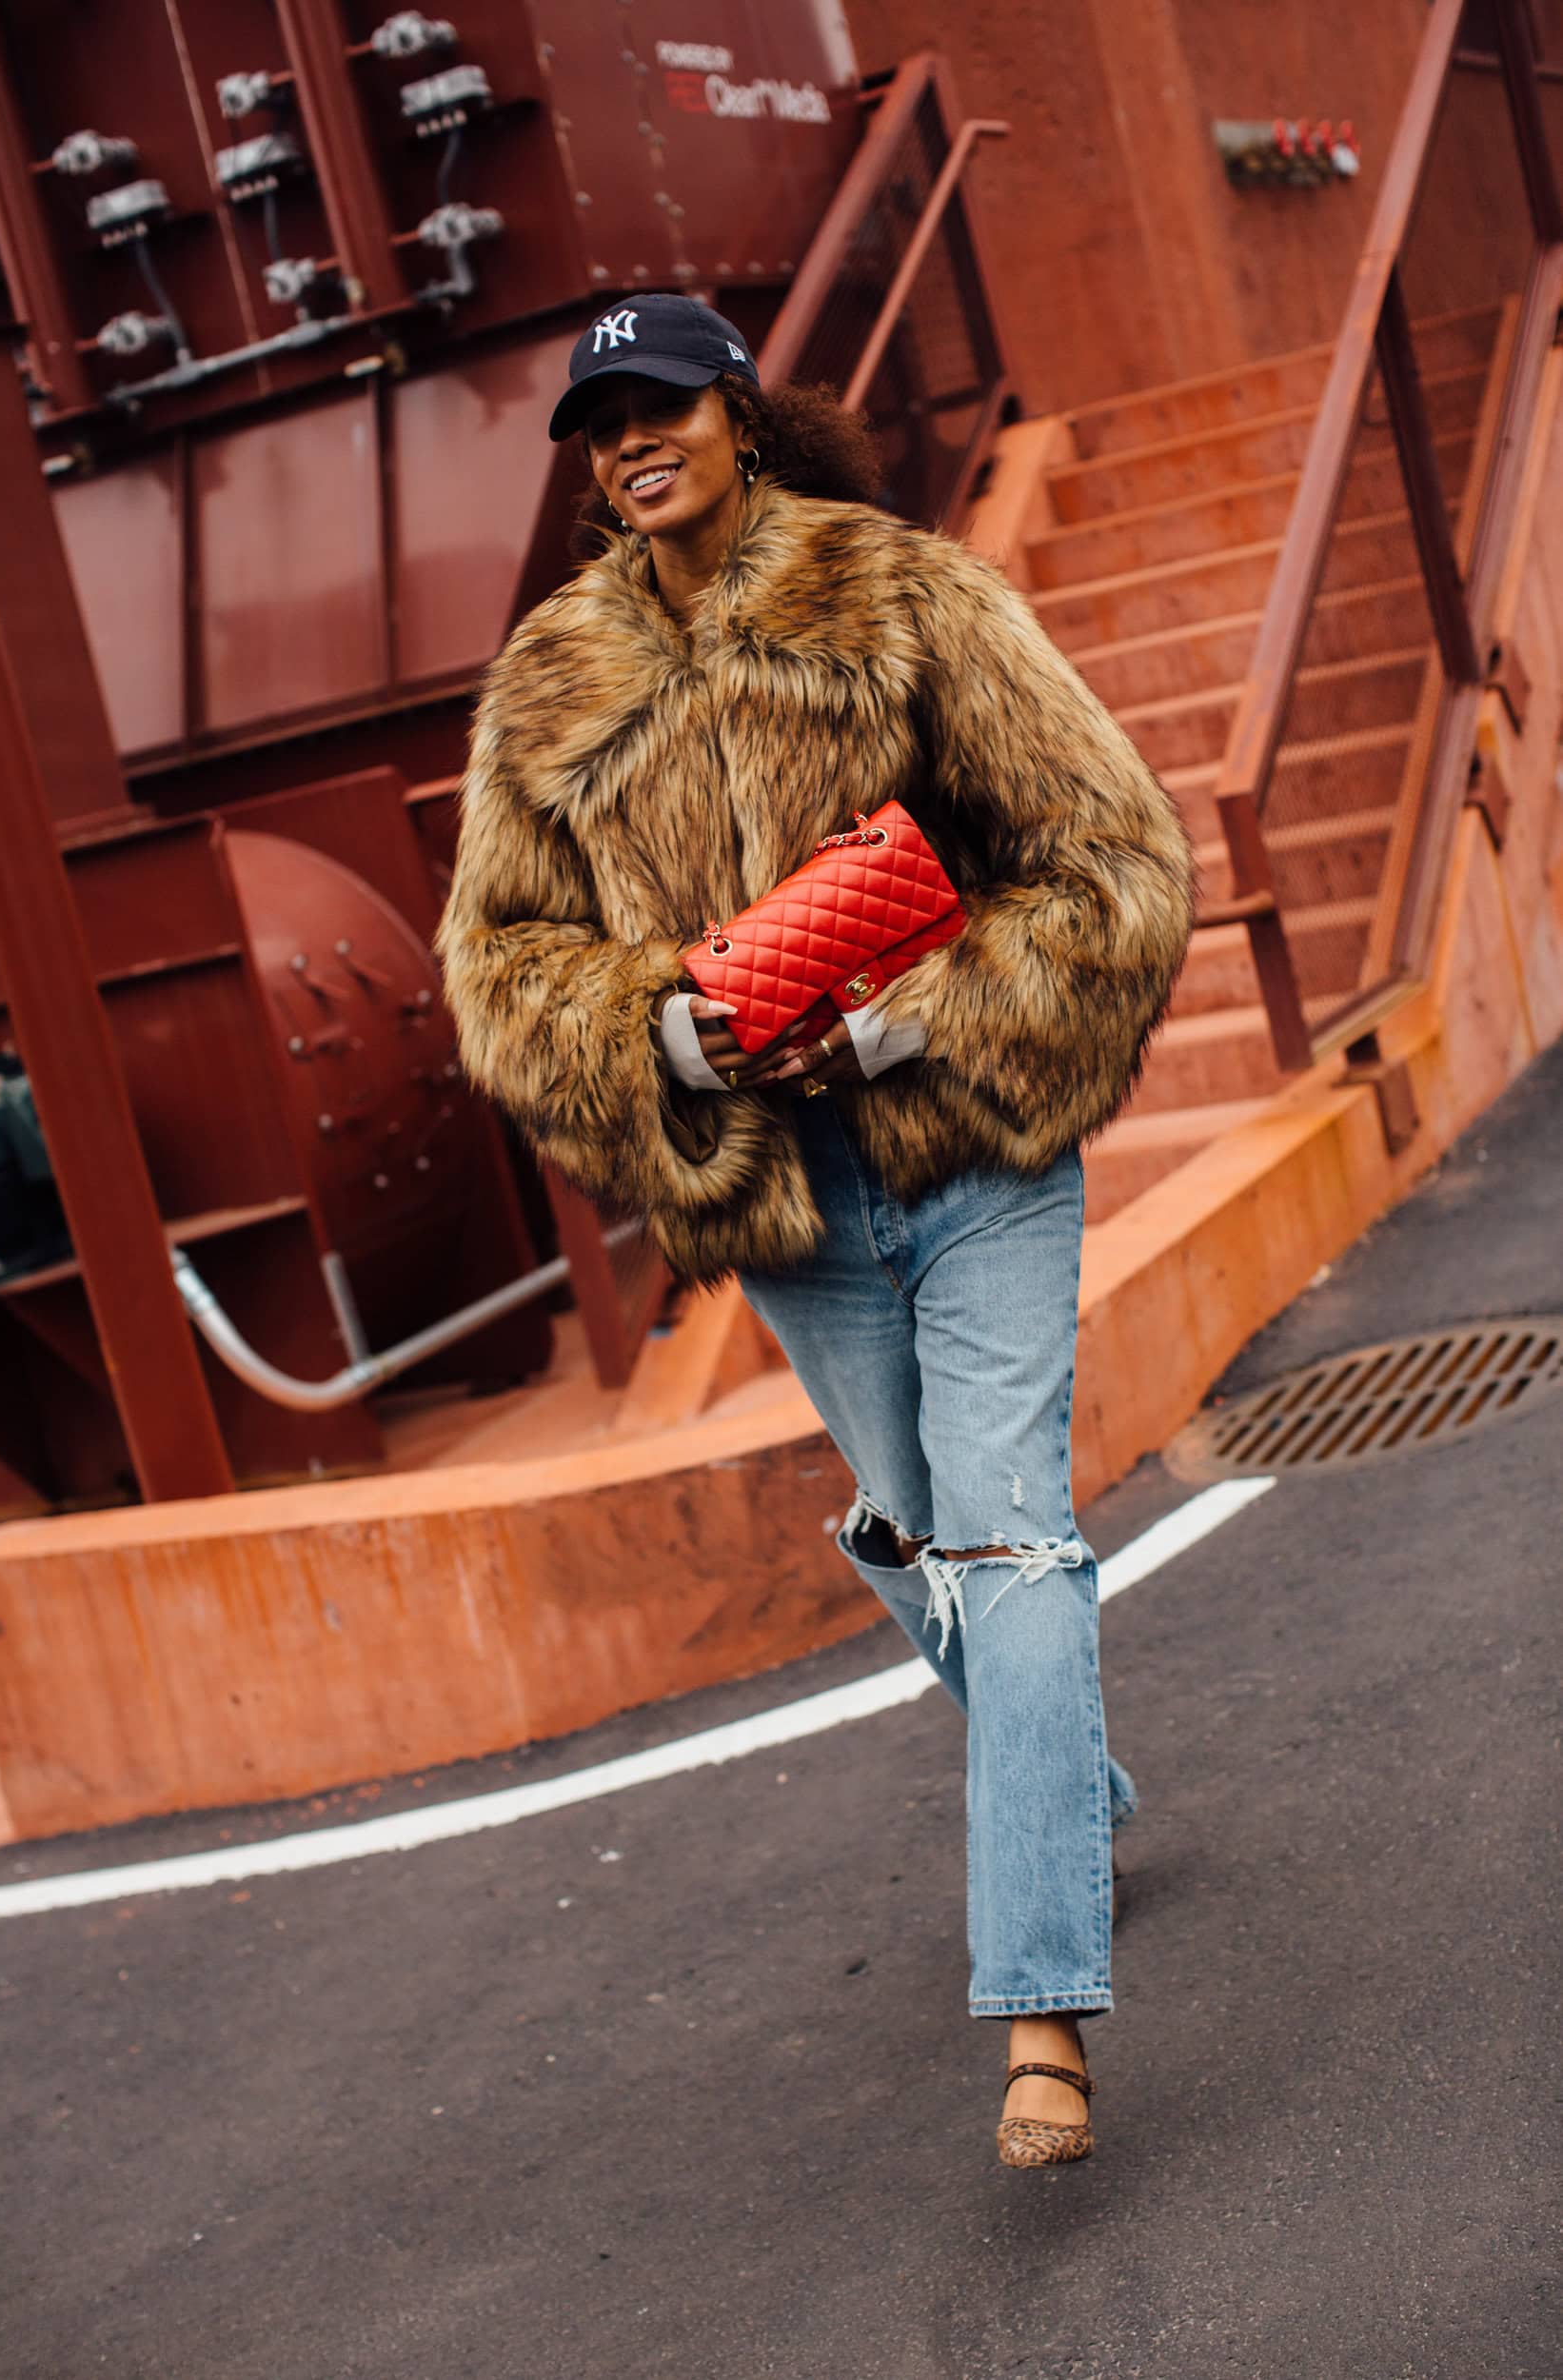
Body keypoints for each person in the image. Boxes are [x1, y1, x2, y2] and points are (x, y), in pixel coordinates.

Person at [436, 292, 1196, 2168]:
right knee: (920, 1537)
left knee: (1009, 1534)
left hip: (971, 1138)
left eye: (660, 401)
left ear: (735, 408)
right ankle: (1067, 1783)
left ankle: (1041, 2020)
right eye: (598, 420)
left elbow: (1115, 855)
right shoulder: (548, 684)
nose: (632, 437)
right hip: (782, 1201)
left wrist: (917, 1008)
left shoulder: (906, 596)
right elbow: (498, 964)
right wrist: (663, 1031)